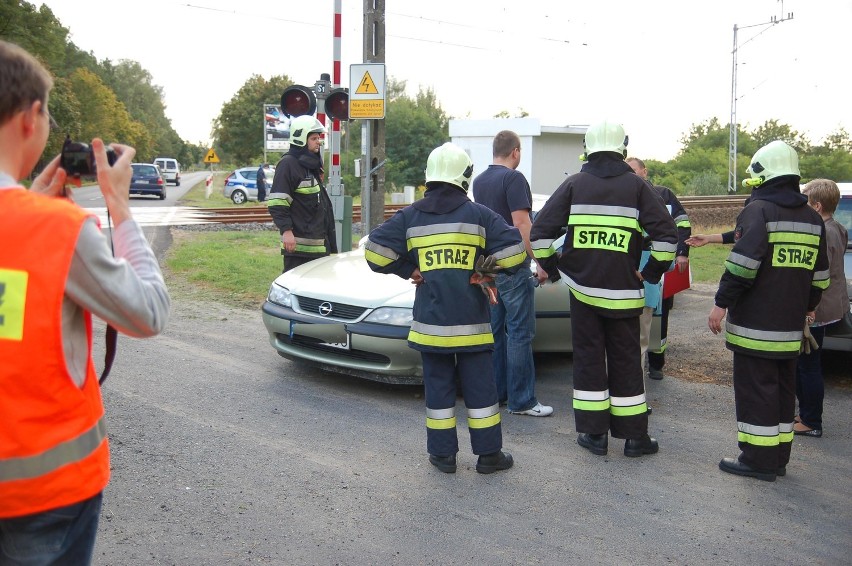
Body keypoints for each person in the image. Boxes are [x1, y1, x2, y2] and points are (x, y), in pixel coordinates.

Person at [0, 40, 170, 564]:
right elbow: (147, 312)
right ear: (32, 119)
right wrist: (118, 207)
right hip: (40, 495)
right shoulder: (54, 230)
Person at [365, 142, 527, 474]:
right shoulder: (480, 215)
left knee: (439, 389)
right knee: (481, 390)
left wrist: (408, 268)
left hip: (431, 325)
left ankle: (443, 456)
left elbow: (374, 253)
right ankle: (488, 456)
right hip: (472, 325)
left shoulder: (410, 216)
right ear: (465, 176)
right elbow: (515, 254)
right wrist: (481, 271)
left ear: (430, 175)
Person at [530, 120, 677, 458]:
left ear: (588, 148)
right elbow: (668, 239)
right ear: (622, 149)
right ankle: (635, 439)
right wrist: (650, 273)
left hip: (583, 292)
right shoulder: (638, 188)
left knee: (589, 360)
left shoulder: (574, 185)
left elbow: (539, 235)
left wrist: (554, 271)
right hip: (626, 293)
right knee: (626, 361)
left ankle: (594, 436)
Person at [708, 140, 828, 482]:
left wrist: (721, 303)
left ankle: (757, 461)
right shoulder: (811, 218)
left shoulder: (758, 211)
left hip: (755, 328)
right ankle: (777, 458)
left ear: (764, 174)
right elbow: (820, 276)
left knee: (756, 391)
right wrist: (807, 308)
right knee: (781, 391)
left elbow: (743, 267)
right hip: (791, 328)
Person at [472, 130, 552, 417]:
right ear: (515, 151)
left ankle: (499, 395)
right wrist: (540, 261)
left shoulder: (479, 181)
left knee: (495, 332)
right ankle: (523, 401)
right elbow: (522, 224)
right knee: (519, 333)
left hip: (489, 268)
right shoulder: (514, 179)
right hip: (514, 268)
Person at [627, 157, 692, 381]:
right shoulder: (623, 195)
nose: (631, 175)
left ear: (644, 172)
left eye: (634, 171)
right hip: (639, 272)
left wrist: (682, 252)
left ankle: (657, 363)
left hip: (655, 269)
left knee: (658, 318)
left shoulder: (663, 195)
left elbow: (682, 225)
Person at [794, 179, 848, 438]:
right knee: (808, 364)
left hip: (815, 308)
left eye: (805, 200)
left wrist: (808, 307)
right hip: (828, 306)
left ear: (816, 206)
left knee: (808, 365)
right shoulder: (838, 227)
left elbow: (817, 273)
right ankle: (806, 414)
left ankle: (811, 420)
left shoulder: (822, 232)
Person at [267, 115, 337, 273]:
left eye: (318, 138)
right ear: (300, 139)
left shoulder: (309, 165)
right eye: (313, 138)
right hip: (299, 250)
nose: (318, 141)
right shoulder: (288, 164)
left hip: (317, 248)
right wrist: (286, 231)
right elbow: (277, 203)